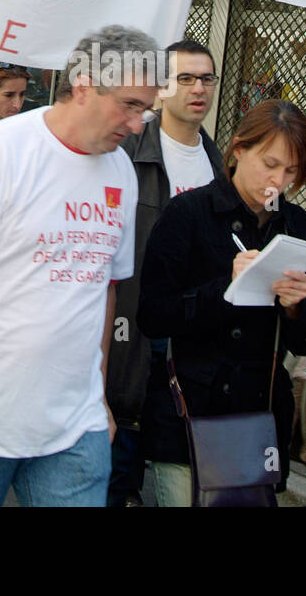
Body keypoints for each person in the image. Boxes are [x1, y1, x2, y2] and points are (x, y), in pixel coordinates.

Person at [0, 25, 160, 506]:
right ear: (83, 86)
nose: (139, 123)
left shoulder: (121, 171)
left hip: (73, 430)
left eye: (145, 109)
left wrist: (97, 394)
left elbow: (101, 286)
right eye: (129, 104)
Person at [138, 99, 306, 506]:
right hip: (191, 415)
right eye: (269, 163)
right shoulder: (188, 213)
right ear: (238, 149)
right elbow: (153, 315)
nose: (278, 180)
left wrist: (294, 306)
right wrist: (226, 287)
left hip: (257, 422)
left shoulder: (298, 225)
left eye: (291, 171)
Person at [108, 39, 224, 507]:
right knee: (117, 469)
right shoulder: (126, 152)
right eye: (186, 78)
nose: (198, 88)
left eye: (207, 79)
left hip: (188, 338)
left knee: (175, 472)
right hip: (130, 334)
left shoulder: (219, 163)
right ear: (161, 88)